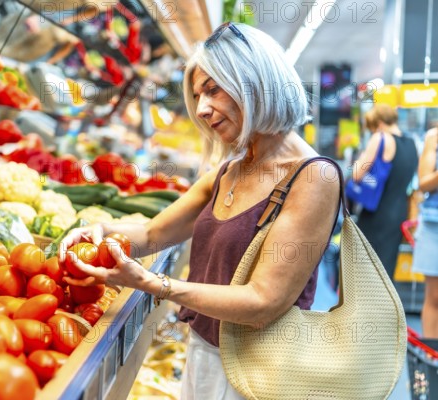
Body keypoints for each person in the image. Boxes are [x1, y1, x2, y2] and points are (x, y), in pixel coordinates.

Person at [59, 22, 340, 399]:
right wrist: (101, 229)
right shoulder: (231, 169)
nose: (203, 109)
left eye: (213, 89)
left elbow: (263, 302)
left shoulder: (313, 177)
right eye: (197, 95)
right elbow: (154, 234)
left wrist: (156, 285)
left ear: (255, 82)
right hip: (204, 355)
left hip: (258, 374)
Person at [351, 104, 418, 280]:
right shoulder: (412, 144)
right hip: (399, 214)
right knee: (386, 272)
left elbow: (357, 174)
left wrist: (362, 154)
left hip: (376, 213)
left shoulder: (381, 137)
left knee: (367, 274)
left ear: (379, 123)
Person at [413, 126, 438, 337]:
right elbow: (423, 183)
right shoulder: (434, 137)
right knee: (435, 296)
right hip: (434, 225)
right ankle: (432, 358)